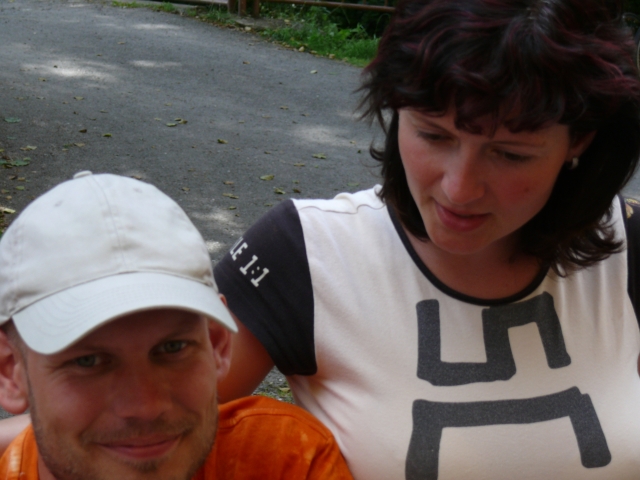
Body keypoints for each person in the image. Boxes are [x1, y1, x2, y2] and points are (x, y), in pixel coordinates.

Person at [213, 0, 640, 478]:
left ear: (579, 140)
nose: (459, 189)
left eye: (510, 154)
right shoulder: (301, 251)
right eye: (433, 135)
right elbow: (158, 429)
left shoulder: (630, 246)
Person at [0, 171, 353, 480]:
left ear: (218, 345)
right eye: (87, 361)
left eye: (172, 348)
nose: (145, 406)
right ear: (10, 370)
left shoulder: (284, 462)